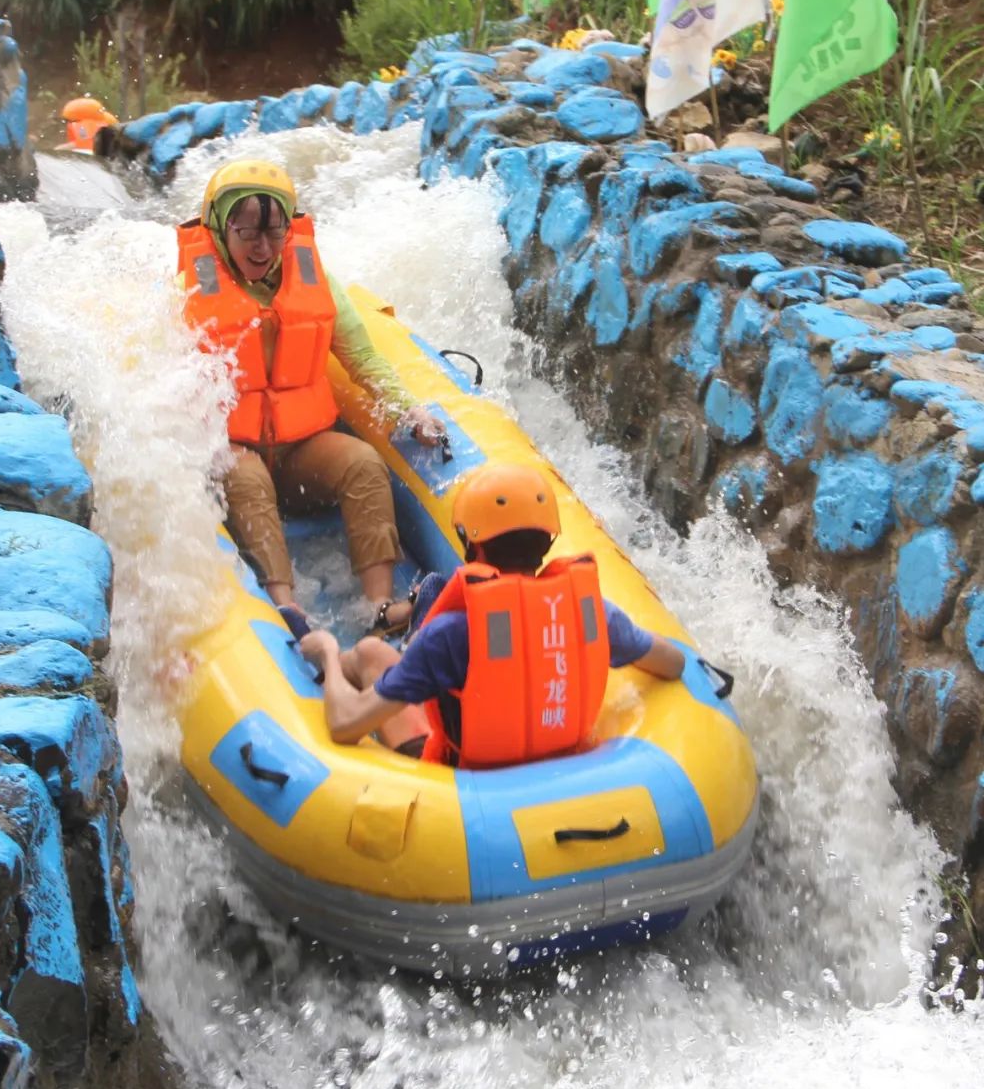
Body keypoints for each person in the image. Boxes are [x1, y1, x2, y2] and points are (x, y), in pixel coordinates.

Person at [177, 159, 444, 632]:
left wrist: (409, 410)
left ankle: (380, 606)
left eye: (274, 232)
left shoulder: (316, 280)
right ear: (220, 227)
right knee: (247, 482)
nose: (262, 247)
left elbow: (362, 356)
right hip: (237, 446)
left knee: (363, 463)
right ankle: (287, 608)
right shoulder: (188, 290)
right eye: (248, 234)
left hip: (301, 450)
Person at [300, 463, 685, 765]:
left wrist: (329, 651)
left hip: (466, 787)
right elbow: (673, 662)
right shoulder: (595, 615)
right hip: (562, 765)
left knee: (368, 652)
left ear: (473, 545)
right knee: (385, 643)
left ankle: (326, 657)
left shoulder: (451, 635)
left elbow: (345, 725)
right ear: (547, 540)